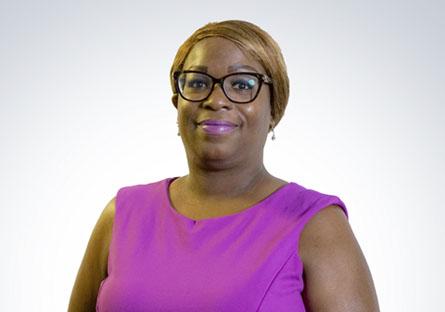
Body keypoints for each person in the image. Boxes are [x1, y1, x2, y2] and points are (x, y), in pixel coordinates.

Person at [68, 20, 380, 311]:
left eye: (243, 84)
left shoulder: (316, 225)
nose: (216, 99)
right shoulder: (122, 214)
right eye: (198, 82)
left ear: (274, 109)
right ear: (177, 102)